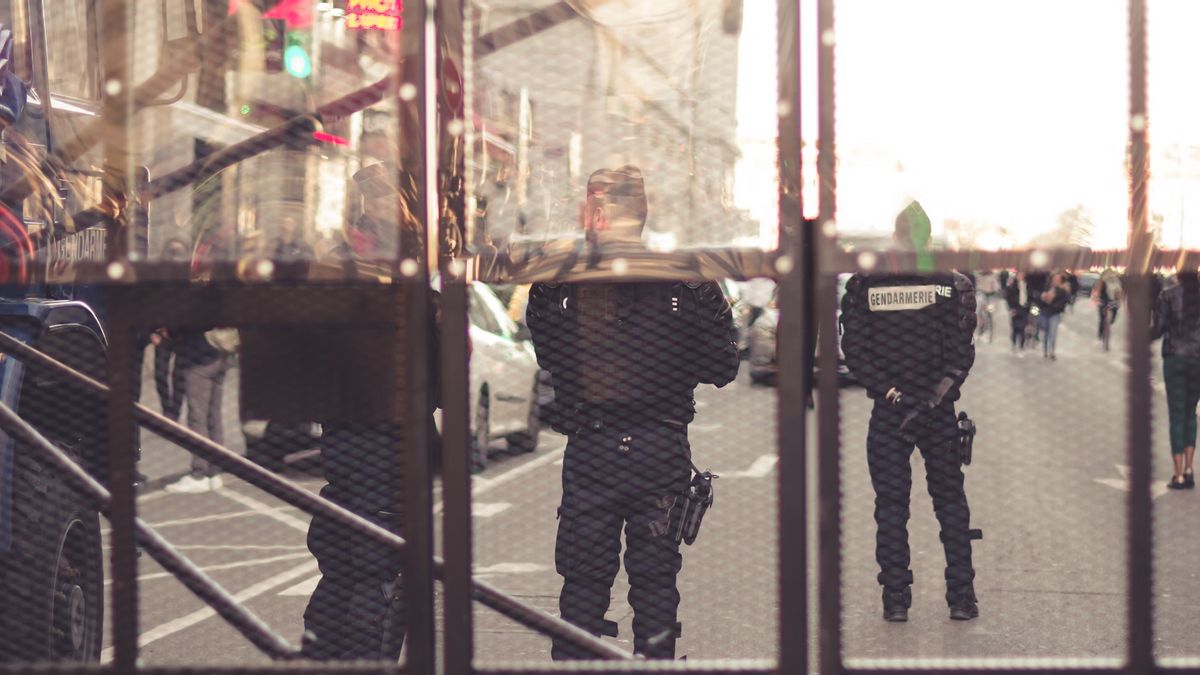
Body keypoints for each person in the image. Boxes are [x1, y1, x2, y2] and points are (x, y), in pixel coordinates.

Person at [526, 166, 739, 659]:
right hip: (659, 447)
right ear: (642, 214)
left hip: (592, 447)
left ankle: (578, 662)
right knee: (656, 584)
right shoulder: (685, 280)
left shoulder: (563, 283)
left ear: (597, 213)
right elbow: (723, 365)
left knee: (582, 581)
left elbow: (549, 355)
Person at [300, 161, 438, 661]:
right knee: (378, 569)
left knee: (343, 561)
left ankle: (319, 660)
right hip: (387, 436)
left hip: (344, 435)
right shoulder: (409, 269)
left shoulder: (336, 262)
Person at [840, 200, 980, 622]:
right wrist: (931, 400)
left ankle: (896, 599)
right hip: (937, 413)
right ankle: (961, 596)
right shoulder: (953, 284)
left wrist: (893, 395)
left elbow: (856, 352)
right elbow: (962, 355)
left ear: (896, 237)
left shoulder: (866, 283)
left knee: (891, 508)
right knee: (950, 503)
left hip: (889, 413)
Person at [163, 329, 233, 493]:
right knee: (213, 416)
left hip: (198, 356)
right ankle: (214, 471)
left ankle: (199, 473)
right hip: (220, 352)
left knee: (197, 418)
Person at [1151, 265, 1200, 490]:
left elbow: (1159, 329)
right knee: (1191, 413)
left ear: (1179, 274)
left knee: (1177, 414)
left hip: (1175, 358)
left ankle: (1178, 474)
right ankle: (1190, 469)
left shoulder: (1168, 296)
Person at [1038, 272, 1071, 360]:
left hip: (1055, 314)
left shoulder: (1063, 290)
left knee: (1052, 333)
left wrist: (1050, 301)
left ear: (1060, 280)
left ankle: (1052, 352)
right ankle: (1045, 350)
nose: (1056, 280)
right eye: (1054, 278)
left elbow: (1065, 301)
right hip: (1044, 313)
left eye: (1058, 279)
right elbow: (1041, 299)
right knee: (1045, 333)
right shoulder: (1046, 287)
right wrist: (1042, 298)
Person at [1005, 271, 1031, 355]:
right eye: (1019, 274)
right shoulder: (1012, 285)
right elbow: (1008, 297)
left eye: (1022, 274)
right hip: (1015, 308)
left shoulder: (1027, 285)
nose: (1020, 276)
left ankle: (1021, 346)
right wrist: (1011, 308)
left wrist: (1029, 306)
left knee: (1023, 328)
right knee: (1015, 328)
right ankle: (1014, 344)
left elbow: (1030, 296)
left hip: (1024, 309)